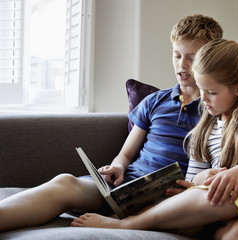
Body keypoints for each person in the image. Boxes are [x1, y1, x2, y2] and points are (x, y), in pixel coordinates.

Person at [0, 14, 223, 231]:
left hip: (173, 198)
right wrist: (118, 166)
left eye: (191, 57)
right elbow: (126, 154)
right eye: (177, 55)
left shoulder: (218, 107)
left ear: (209, 58)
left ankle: (129, 220)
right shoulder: (155, 101)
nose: (182, 64)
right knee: (65, 182)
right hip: (128, 185)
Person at [71, 39, 238, 240]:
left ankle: (129, 224)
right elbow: (192, 179)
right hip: (220, 204)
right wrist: (197, 180)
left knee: (236, 231)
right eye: (201, 89)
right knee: (215, 196)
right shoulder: (203, 128)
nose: (203, 99)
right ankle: (134, 221)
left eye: (212, 92)